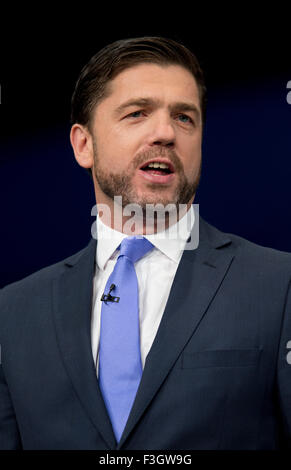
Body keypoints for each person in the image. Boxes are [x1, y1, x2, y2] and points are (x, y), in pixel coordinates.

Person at [0, 36, 291, 451]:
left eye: (185, 118)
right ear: (84, 145)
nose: (166, 133)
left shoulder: (280, 286)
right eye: (137, 113)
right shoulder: (12, 313)